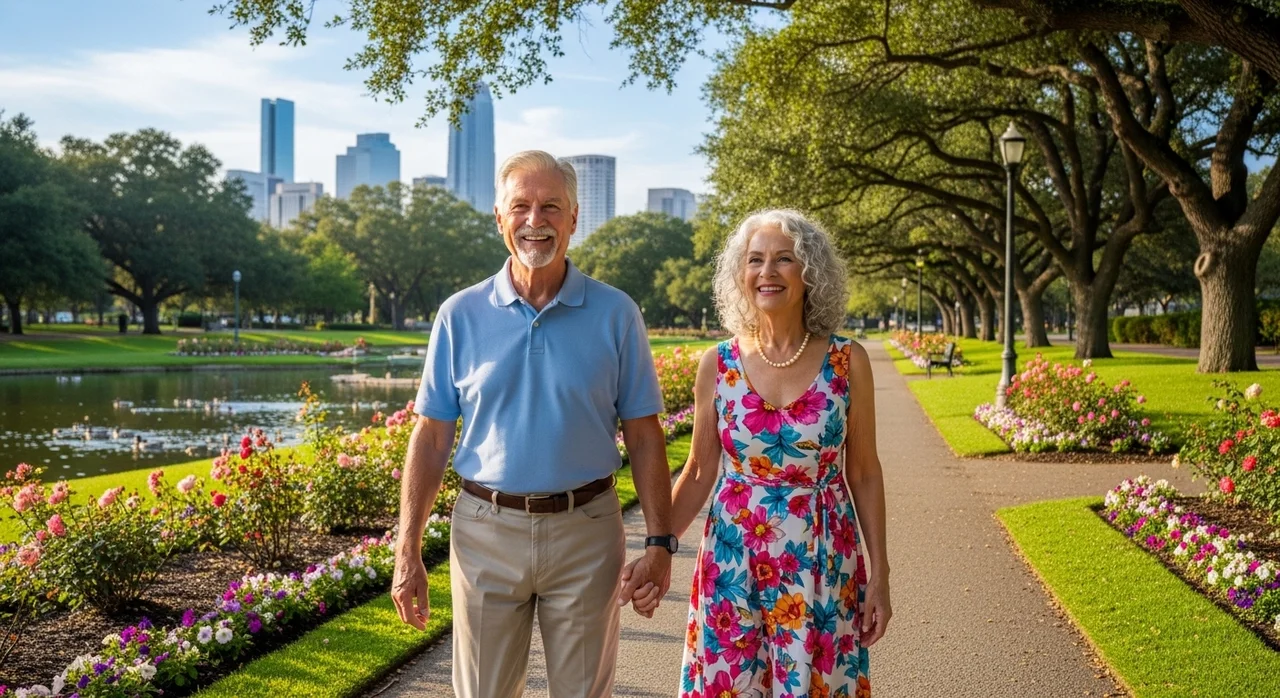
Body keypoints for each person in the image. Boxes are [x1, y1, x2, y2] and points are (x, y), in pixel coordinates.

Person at [391, 150, 677, 698]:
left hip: (588, 532)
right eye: (520, 206)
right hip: (484, 531)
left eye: (550, 206)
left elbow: (644, 436)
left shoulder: (617, 313)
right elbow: (429, 438)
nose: (535, 220)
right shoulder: (459, 314)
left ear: (574, 217)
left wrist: (660, 543)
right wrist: (408, 550)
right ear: (499, 218)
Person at [631, 209, 891, 697]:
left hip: (822, 560)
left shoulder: (847, 360)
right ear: (740, 274)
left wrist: (881, 574)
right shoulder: (719, 364)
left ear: (809, 272)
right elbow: (700, 471)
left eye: (783, 260)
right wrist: (658, 548)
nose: (766, 272)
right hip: (733, 561)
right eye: (755, 260)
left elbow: (864, 472)